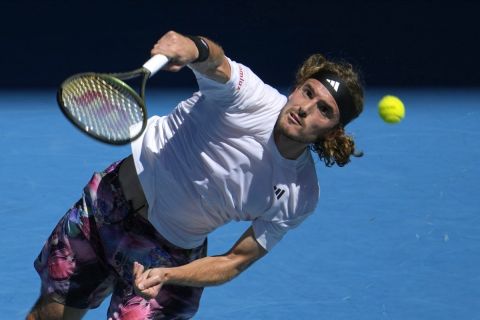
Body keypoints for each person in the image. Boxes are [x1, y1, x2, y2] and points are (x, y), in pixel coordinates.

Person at [27, 30, 364, 319]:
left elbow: (234, 261)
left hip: (167, 255)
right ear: (295, 89)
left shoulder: (299, 194)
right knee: (50, 314)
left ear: (333, 132)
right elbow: (215, 62)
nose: (306, 108)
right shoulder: (251, 97)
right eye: (308, 92)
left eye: (324, 110)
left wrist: (169, 274)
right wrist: (191, 47)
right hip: (105, 208)